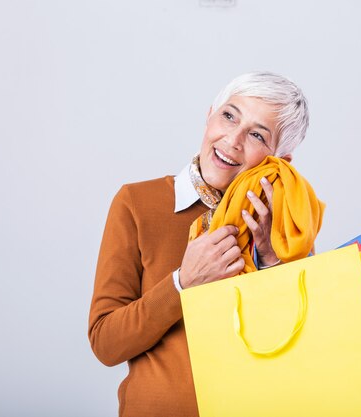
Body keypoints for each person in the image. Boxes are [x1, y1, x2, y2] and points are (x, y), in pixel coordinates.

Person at [88, 71, 316, 417]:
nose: (233, 140)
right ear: (210, 114)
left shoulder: (288, 233)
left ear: (279, 162)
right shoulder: (137, 203)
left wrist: (271, 261)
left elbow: (302, 352)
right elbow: (106, 343)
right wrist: (182, 283)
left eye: (257, 135)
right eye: (229, 116)